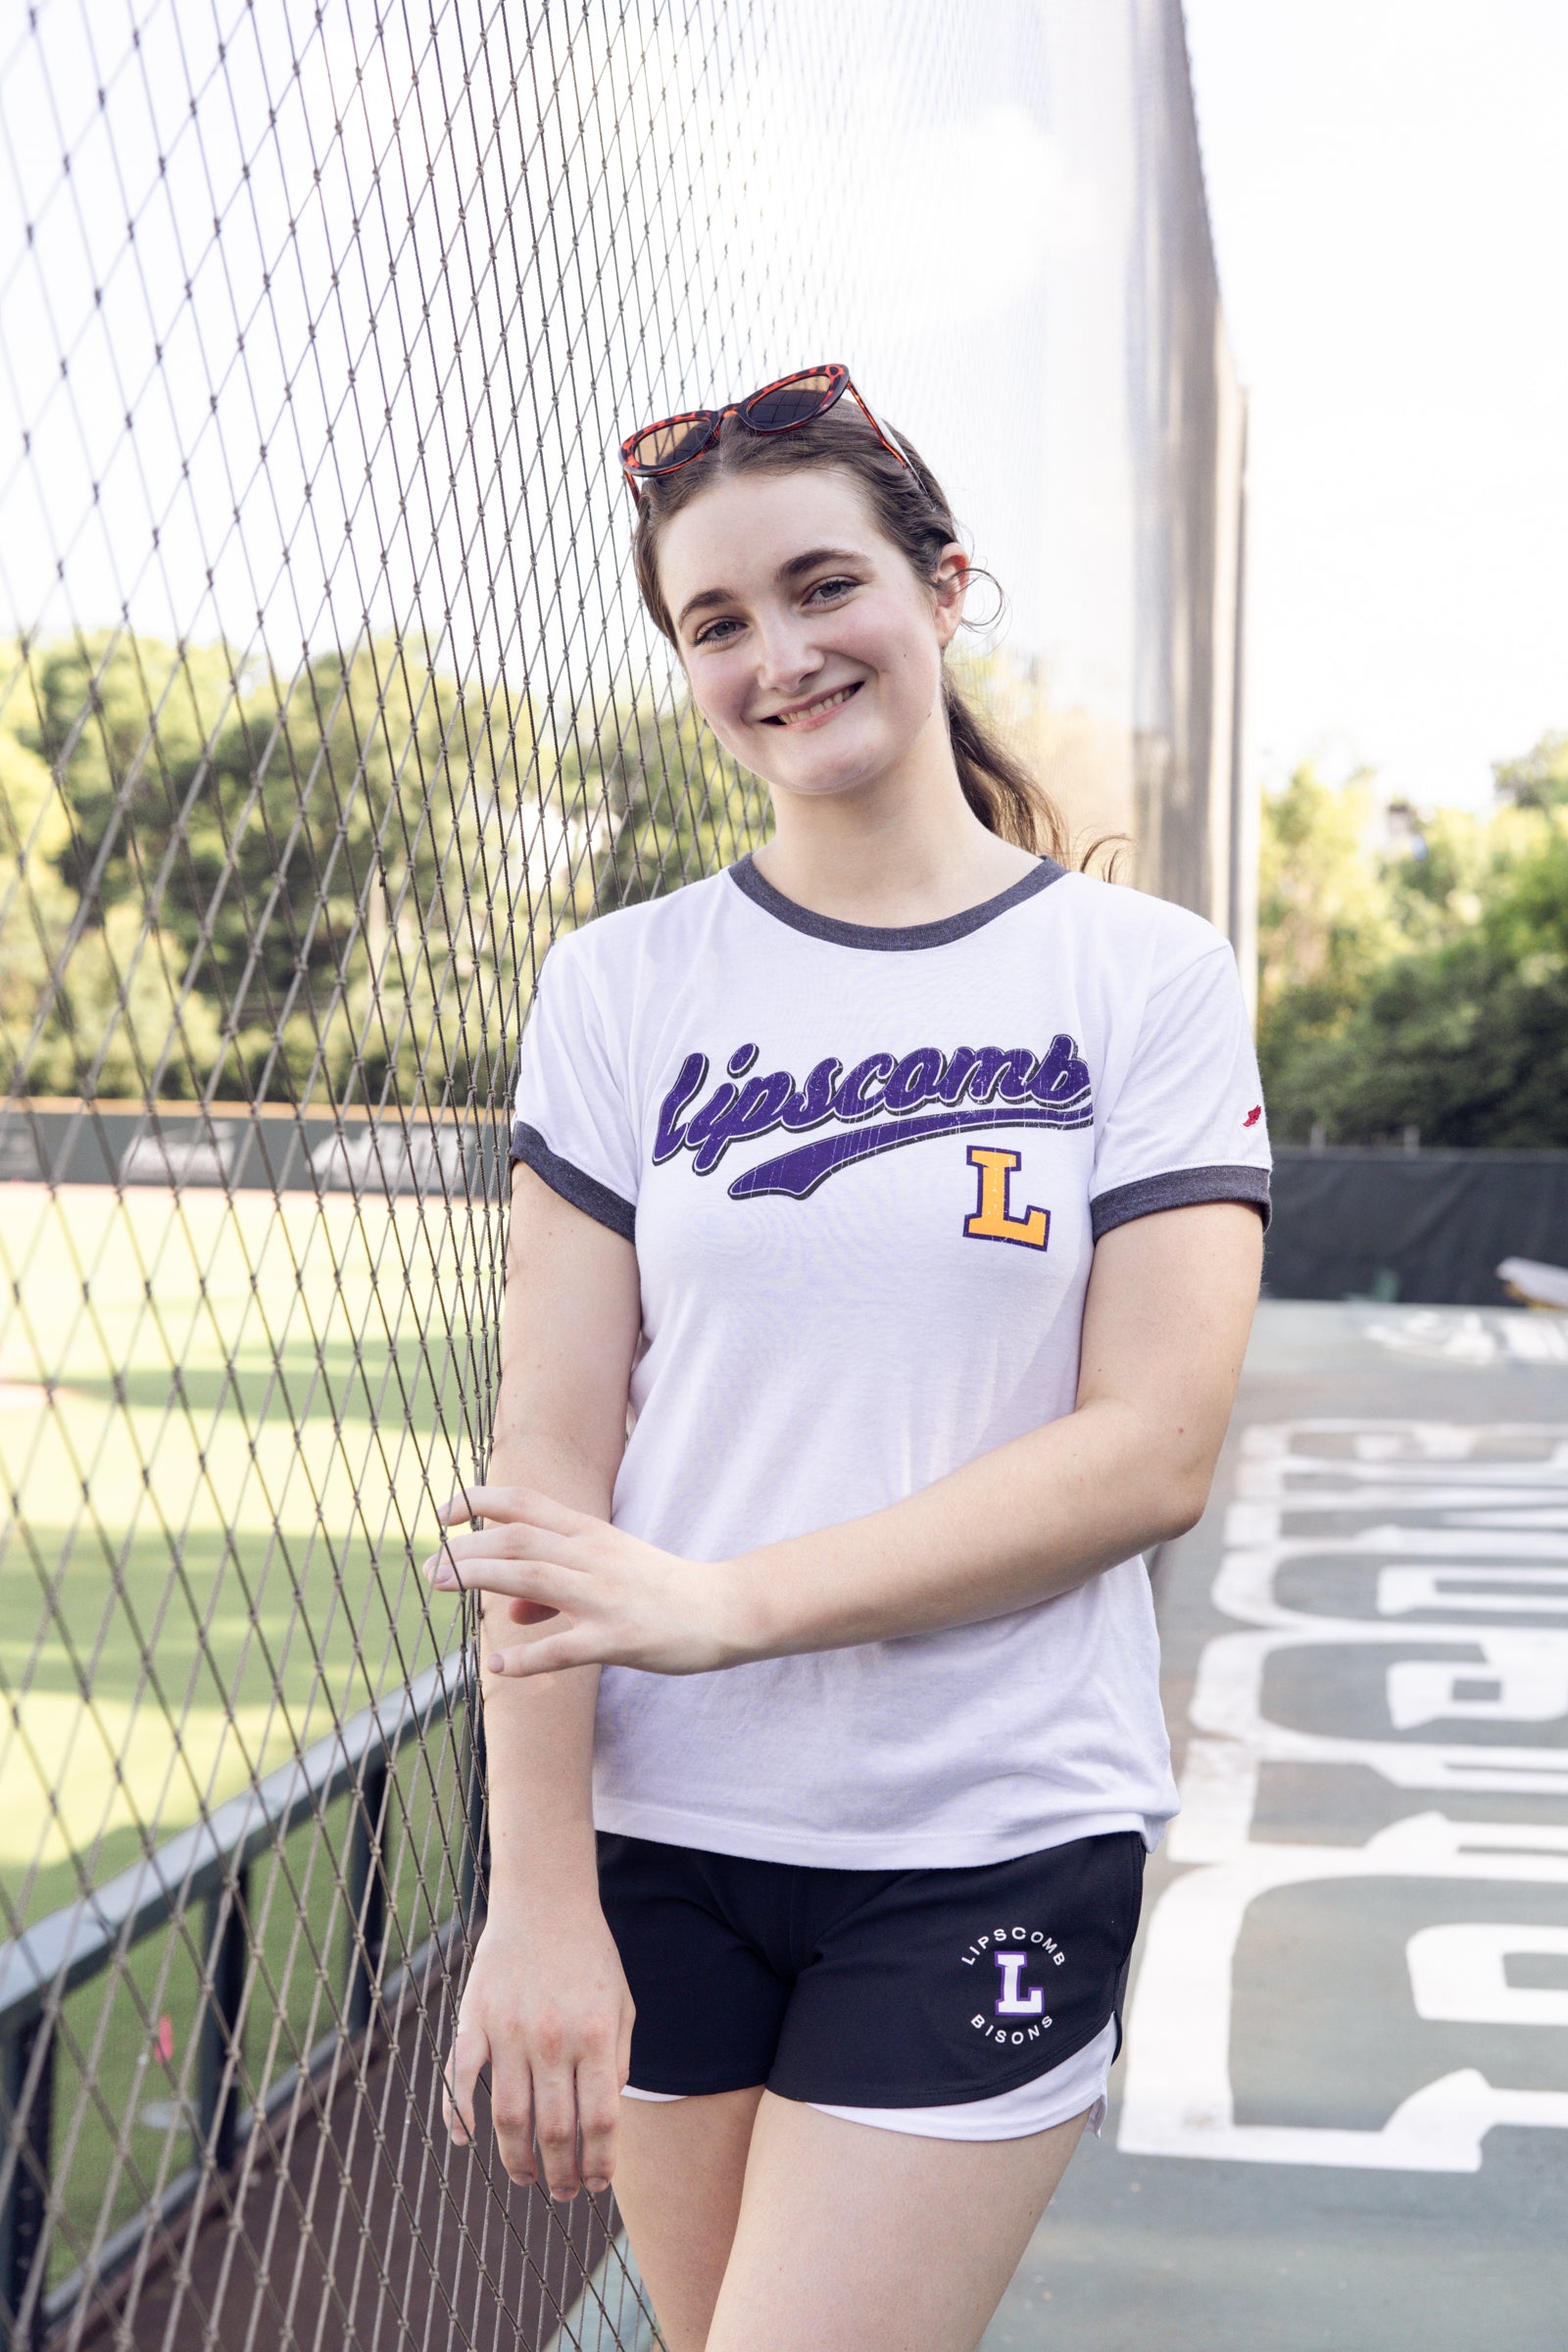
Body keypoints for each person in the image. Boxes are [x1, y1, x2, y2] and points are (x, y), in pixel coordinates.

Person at [426, 365, 1269, 2352]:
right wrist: (537, 1894)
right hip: (664, 1837)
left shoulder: (1138, 978)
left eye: (823, 586)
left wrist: (731, 1605)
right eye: (715, 621)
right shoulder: (621, 984)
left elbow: (1149, 1448)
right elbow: (545, 1457)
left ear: (941, 587)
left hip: (984, 1830)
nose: (779, 656)